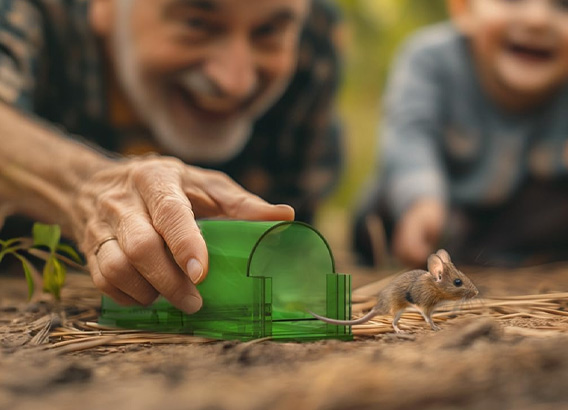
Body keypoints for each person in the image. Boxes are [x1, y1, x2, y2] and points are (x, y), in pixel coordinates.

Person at [0, 0, 343, 313]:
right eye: (197, 23)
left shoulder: (311, 45)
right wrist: (88, 186)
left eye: (268, 32)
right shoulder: (30, 13)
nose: (234, 81)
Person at [353, 0, 568, 269]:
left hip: (520, 234)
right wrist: (421, 199)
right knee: (386, 199)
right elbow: (409, 136)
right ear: (463, 7)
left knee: (566, 205)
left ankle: (512, 262)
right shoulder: (429, 59)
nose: (537, 19)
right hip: (435, 211)